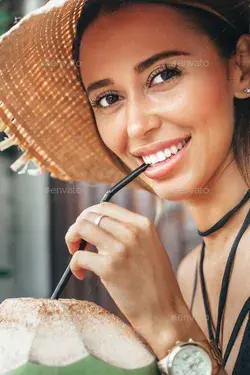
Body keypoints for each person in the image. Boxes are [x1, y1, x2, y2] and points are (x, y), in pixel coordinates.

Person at [0, 0, 249, 374]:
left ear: (242, 67)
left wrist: (167, 324)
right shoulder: (185, 274)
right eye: (108, 98)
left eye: (164, 75)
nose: (135, 127)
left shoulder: (169, 294)